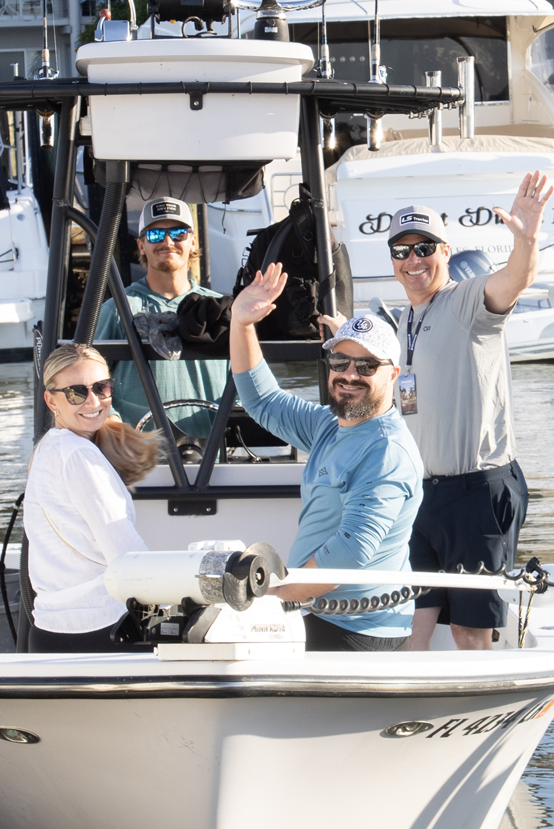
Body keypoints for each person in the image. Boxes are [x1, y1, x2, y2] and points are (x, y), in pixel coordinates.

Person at [382, 180, 552, 651]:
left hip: (476, 491)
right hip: (422, 495)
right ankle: (403, 695)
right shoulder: (406, 318)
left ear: (445, 251)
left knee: (468, 632)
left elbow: (514, 279)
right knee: (410, 624)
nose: (413, 260)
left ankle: (479, 699)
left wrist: (526, 240)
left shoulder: (467, 301)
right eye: (401, 251)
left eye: (424, 248)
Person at [229, 263, 424, 651]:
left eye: (367, 365)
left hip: (358, 633)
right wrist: (242, 323)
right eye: (339, 362)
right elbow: (261, 400)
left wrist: (268, 600)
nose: (349, 374)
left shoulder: (386, 451)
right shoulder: (328, 425)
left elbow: (349, 555)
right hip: (314, 612)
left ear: (393, 374)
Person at [22, 344, 162, 651]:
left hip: (52, 631)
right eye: (76, 393)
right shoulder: (79, 455)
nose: (94, 401)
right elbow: (126, 557)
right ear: (51, 400)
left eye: (102, 387)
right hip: (102, 631)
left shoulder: (48, 448)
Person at [94, 196, 229, 438]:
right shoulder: (117, 310)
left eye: (178, 233)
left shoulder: (221, 310)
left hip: (213, 453)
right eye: (155, 234)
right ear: (141, 245)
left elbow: (246, 382)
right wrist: (114, 426)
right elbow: (89, 383)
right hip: (140, 455)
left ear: (192, 242)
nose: (167, 242)